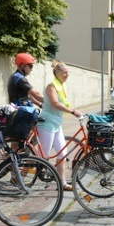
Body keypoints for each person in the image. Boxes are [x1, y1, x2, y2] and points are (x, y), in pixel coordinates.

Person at [36, 61, 82, 191]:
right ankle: (19, 177)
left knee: (62, 153)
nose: (67, 74)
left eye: (68, 72)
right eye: (65, 72)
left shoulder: (62, 86)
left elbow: (65, 103)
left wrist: (75, 110)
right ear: (57, 73)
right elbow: (55, 103)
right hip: (47, 122)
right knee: (43, 156)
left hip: (56, 123)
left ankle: (62, 183)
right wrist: (72, 112)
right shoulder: (52, 86)